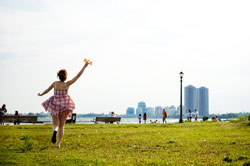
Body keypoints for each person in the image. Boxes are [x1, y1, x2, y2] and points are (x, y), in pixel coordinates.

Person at [38, 61, 89, 148]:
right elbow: (78, 76)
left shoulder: (55, 83)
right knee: (62, 126)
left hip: (55, 105)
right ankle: (58, 144)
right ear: (65, 76)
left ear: (58, 76)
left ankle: (54, 131)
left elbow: (47, 90)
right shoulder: (67, 84)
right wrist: (85, 66)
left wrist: (41, 94)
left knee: (55, 124)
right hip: (65, 105)